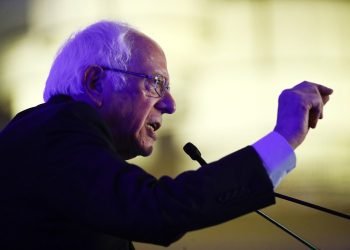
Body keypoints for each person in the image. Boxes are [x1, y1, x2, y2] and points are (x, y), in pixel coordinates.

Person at [0, 20, 333, 250]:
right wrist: (282, 140)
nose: (171, 104)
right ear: (95, 83)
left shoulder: (57, 144)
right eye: (156, 84)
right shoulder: (54, 131)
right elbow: (157, 208)